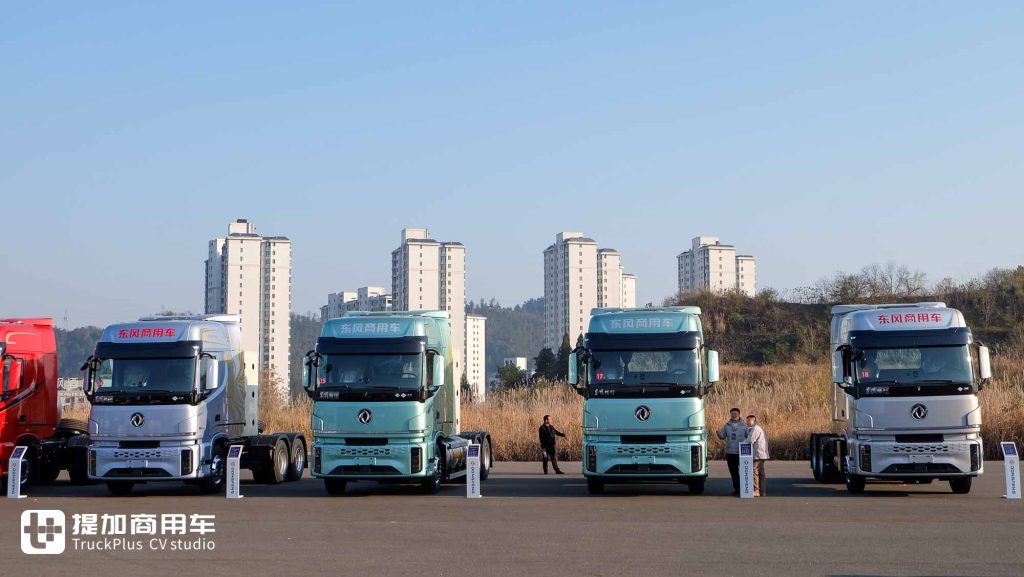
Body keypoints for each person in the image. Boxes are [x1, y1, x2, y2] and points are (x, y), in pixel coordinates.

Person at [715, 408, 748, 495]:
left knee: (744, 471)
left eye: (735, 413)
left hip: (742, 452)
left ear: (739, 414)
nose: (734, 415)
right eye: (732, 413)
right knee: (733, 472)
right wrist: (718, 434)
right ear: (730, 414)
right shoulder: (727, 425)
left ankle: (745, 489)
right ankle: (737, 489)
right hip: (730, 452)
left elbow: (749, 437)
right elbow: (723, 436)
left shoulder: (744, 425)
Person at [745, 414, 769, 496]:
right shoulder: (754, 429)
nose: (747, 422)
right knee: (761, 473)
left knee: (754, 471)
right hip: (761, 454)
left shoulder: (755, 429)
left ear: (754, 420)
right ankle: (762, 492)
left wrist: (740, 444)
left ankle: (756, 491)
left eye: (749, 420)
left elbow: (750, 440)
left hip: (758, 454)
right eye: (747, 420)